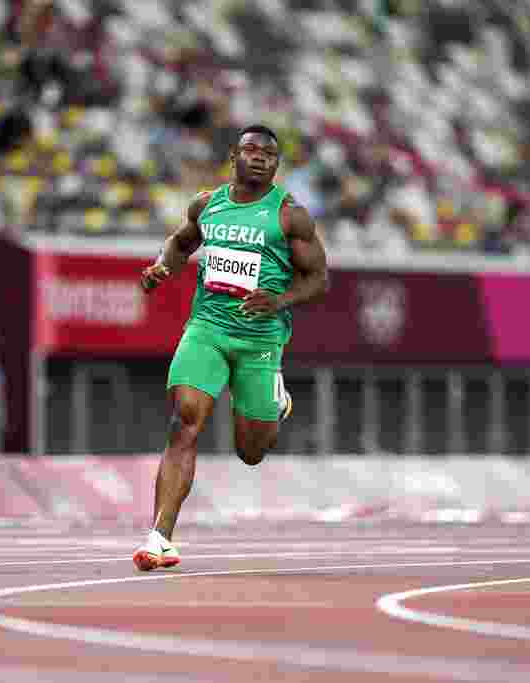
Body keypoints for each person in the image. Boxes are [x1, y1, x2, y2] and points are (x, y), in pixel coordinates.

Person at [133, 124, 329, 570]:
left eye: (269, 155)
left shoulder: (290, 216)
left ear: (277, 165)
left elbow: (319, 278)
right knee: (185, 419)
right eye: (251, 150)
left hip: (260, 337)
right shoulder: (207, 205)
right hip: (207, 328)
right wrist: (162, 267)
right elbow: (179, 243)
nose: (260, 158)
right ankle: (160, 536)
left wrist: (279, 300)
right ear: (234, 157)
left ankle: (274, 400)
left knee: (251, 451)